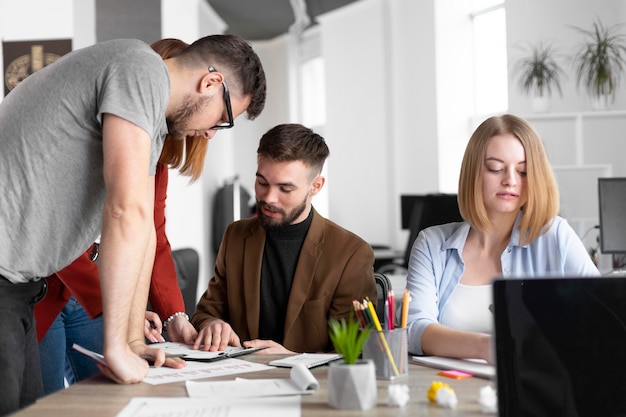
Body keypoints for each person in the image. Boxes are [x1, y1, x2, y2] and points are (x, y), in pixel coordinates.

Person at [0, 34, 266, 414]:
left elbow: (143, 232)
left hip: (18, 286)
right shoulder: (139, 68)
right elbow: (124, 212)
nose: (210, 132)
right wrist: (115, 349)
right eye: (223, 120)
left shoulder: (154, 125)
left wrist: (131, 341)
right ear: (211, 83)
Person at [35, 39, 204, 395]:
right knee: (45, 397)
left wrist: (175, 316)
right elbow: (66, 221)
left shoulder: (156, 153)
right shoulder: (107, 127)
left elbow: (151, 233)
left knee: (118, 390)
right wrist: (119, 304)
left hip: (86, 290)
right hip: (45, 283)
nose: (208, 131)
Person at [405, 114, 600, 363]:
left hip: (535, 391)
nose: (510, 180)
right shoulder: (431, 245)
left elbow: (601, 316)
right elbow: (414, 329)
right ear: (473, 172)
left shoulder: (555, 236)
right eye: (496, 168)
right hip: (448, 389)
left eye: (523, 171)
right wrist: (486, 347)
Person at [190, 123, 377, 354]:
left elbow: (357, 351)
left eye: (285, 189)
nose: (269, 198)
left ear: (315, 186)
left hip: (312, 385)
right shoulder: (236, 236)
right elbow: (206, 311)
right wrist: (212, 324)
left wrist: (291, 359)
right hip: (238, 380)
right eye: (262, 182)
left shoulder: (350, 253)